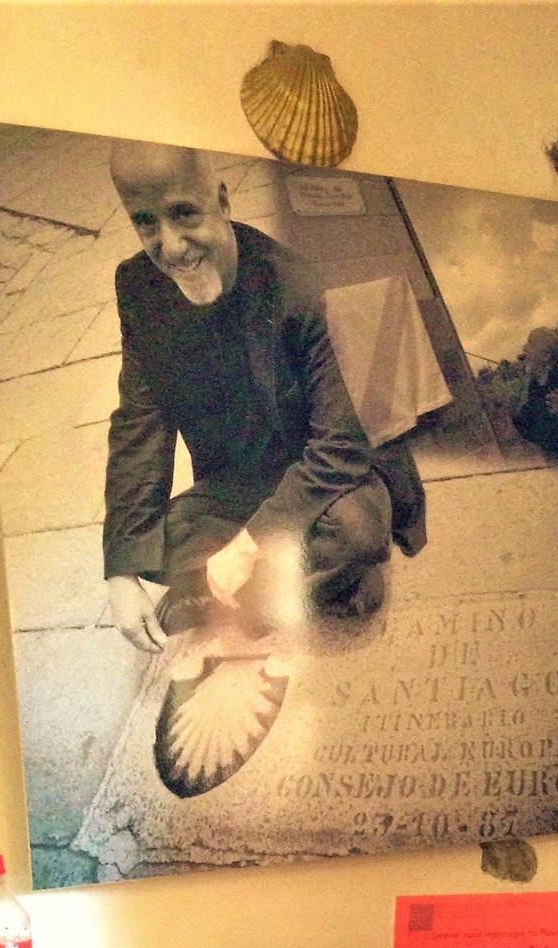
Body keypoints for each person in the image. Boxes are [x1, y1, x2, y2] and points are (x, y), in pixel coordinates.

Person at [101, 138, 427, 667]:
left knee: (357, 533)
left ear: (222, 201)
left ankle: (256, 590)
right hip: (236, 481)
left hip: (323, 477)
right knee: (151, 544)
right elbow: (138, 423)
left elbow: (341, 447)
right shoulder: (138, 288)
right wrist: (121, 571)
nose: (172, 246)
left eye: (184, 213)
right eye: (145, 223)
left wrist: (246, 545)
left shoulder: (301, 286)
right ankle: (307, 586)